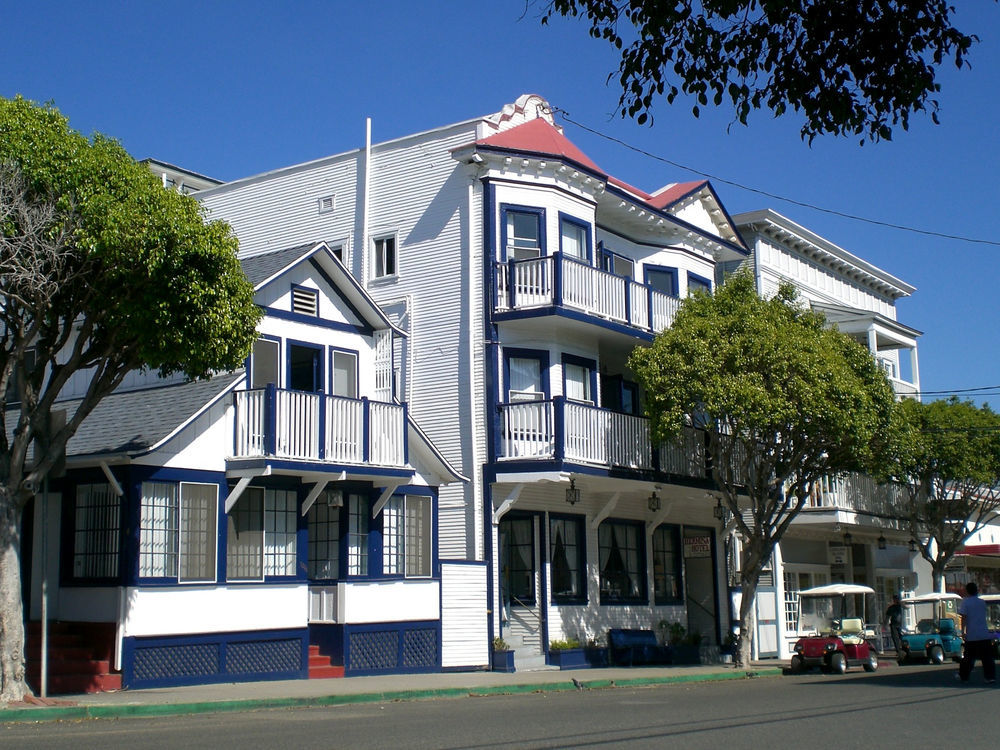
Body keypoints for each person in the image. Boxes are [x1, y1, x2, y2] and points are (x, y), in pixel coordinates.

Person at [958, 581, 996, 683]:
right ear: (976, 591)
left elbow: (964, 618)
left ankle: (964, 676)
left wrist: (963, 631)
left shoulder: (965, 602)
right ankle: (990, 677)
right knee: (987, 658)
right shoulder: (982, 602)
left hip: (972, 635)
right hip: (984, 633)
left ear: (967, 591)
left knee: (968, 658)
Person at [885, 594, 904, 661]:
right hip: (894, 624)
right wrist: (885, 624)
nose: (896, 600)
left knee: (902, 637)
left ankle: (904, 649)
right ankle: (898, 651)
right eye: (895, 599)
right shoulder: (891, 607)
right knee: (895, 638)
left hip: (901, 624)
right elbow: (887, 616)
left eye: (897, 599)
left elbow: (907, 607)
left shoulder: (901, 606)